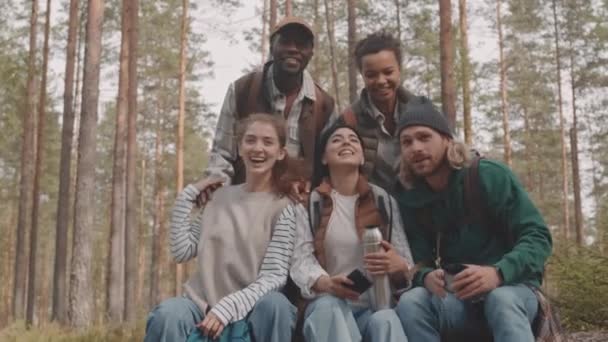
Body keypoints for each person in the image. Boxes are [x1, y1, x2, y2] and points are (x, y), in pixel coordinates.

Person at [393, 100, 553, 342]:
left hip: (514, 292)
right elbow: (417, 260)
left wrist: (498, 273)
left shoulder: (488, 175)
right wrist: (425, 276)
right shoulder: (412, 198)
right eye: (407, 142)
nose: (415, 147)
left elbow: (538, 237)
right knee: (411, 302)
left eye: (424, 137)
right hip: (460, 302)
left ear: (447, 139)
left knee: (502, 300)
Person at [145, 114, 298, 342]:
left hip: (251, 310)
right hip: (200, 307)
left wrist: (226, 309)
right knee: (167, 314)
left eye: (268, 142)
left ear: (280, 152)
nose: (258, 148)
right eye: (250, 140)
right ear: (239, 147)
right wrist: (187, 196)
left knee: (278, 305)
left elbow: (274, 277)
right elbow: (181, 251)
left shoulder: (285, 207)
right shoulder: (218, 198)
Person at [290, 122, 414, 342]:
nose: (346, 141)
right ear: (324, 158)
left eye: (353, 139)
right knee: (329, 307)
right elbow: (300, 261)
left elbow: (406, 261)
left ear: (363, 158)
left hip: (375, 306)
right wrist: (325, 283)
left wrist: (399, 265)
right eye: (337, 139)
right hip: (327, 304)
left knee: (386, 319)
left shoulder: (383, 200)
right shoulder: (310, 204)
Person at [205, 16, 335, 187]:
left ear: (311, 52)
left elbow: (328, 165)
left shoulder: (323, 104)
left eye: (301, 44)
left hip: (298, 205)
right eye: (286, 42)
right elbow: (222, 153)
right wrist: (218, 192)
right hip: (246, 201)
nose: (293, 49)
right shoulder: (243, 90)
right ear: (272, 46)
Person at [337, 31, 425, 192]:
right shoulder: (348, 121)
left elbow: (451, 151)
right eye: (371, 75)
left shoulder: (423, 111)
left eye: (388, 72)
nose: (381, 81)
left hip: (421, 205)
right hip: (374, 210)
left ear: (399, 70)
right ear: (362, 75)